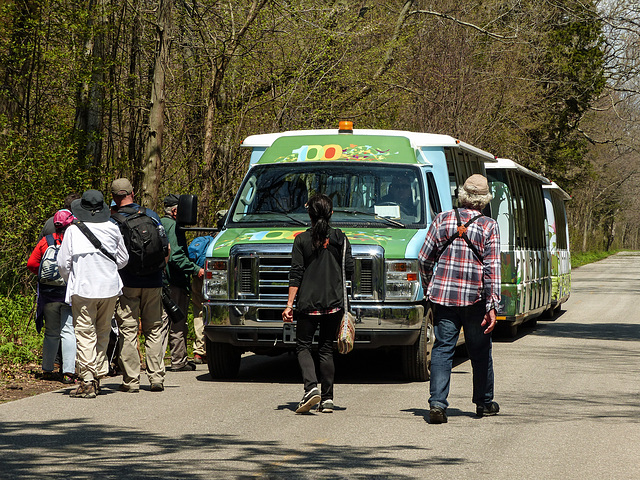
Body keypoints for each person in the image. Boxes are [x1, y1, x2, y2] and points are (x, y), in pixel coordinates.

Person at [418, 174, 501, 424]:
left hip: (443, 297)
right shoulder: (489, 226)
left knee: (443, 349)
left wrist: (429, 287)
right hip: (475, 300)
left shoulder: (442, 219)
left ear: (462, 195)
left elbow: (424, 259)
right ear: (485, 200)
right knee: (480, 350)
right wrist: (492, 305)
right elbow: (492, 268)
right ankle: (484, 403)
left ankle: (437, 404)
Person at [283, 194, 353, 414]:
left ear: (309, 215)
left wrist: (289, 305)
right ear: (331, 213)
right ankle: (328, 399)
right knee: (325, 348)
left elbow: (296, 274)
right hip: (334, 303)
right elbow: (349, 269)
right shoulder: (340, 238)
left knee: (303, 346)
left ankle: (311, 388)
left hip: (308, 303)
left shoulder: (302, 240)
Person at [58, 190, 129, 398]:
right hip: (109, 288)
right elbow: (123, 259)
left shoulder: (73, 231)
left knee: (84, 332)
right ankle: (97, 374)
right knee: (103, 331)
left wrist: (69, 278)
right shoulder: (113, 228)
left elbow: (63, 263)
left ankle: (87, 379)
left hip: (83, 287)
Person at [111, 178, 169, 392]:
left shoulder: (113, 221)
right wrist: (159, 270)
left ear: (115, 197)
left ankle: (131, 380)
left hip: (127, 283)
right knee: (154, 329)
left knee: (128, 330)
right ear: (133, 193)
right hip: (153, 281)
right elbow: (166, 247)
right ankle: (156, 378)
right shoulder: (151, 215)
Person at [27, 209, 77, 384]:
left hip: (49, 294)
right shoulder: (75, 241)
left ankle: (48, 370)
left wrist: (42, 275)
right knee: (69, 331)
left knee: (51, 332)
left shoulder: (45, 241)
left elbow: (32, 263)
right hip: (68, 293)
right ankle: (68, 373)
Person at [160, 194, 204, 371]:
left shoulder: (158, 222)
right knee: (177, 321)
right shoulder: (173, 226)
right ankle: (178, 361)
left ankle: (155, 362)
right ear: (175, 210)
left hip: (161, 280)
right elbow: (176, 256)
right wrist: (195, 269)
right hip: (175, 281)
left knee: (161, 323)